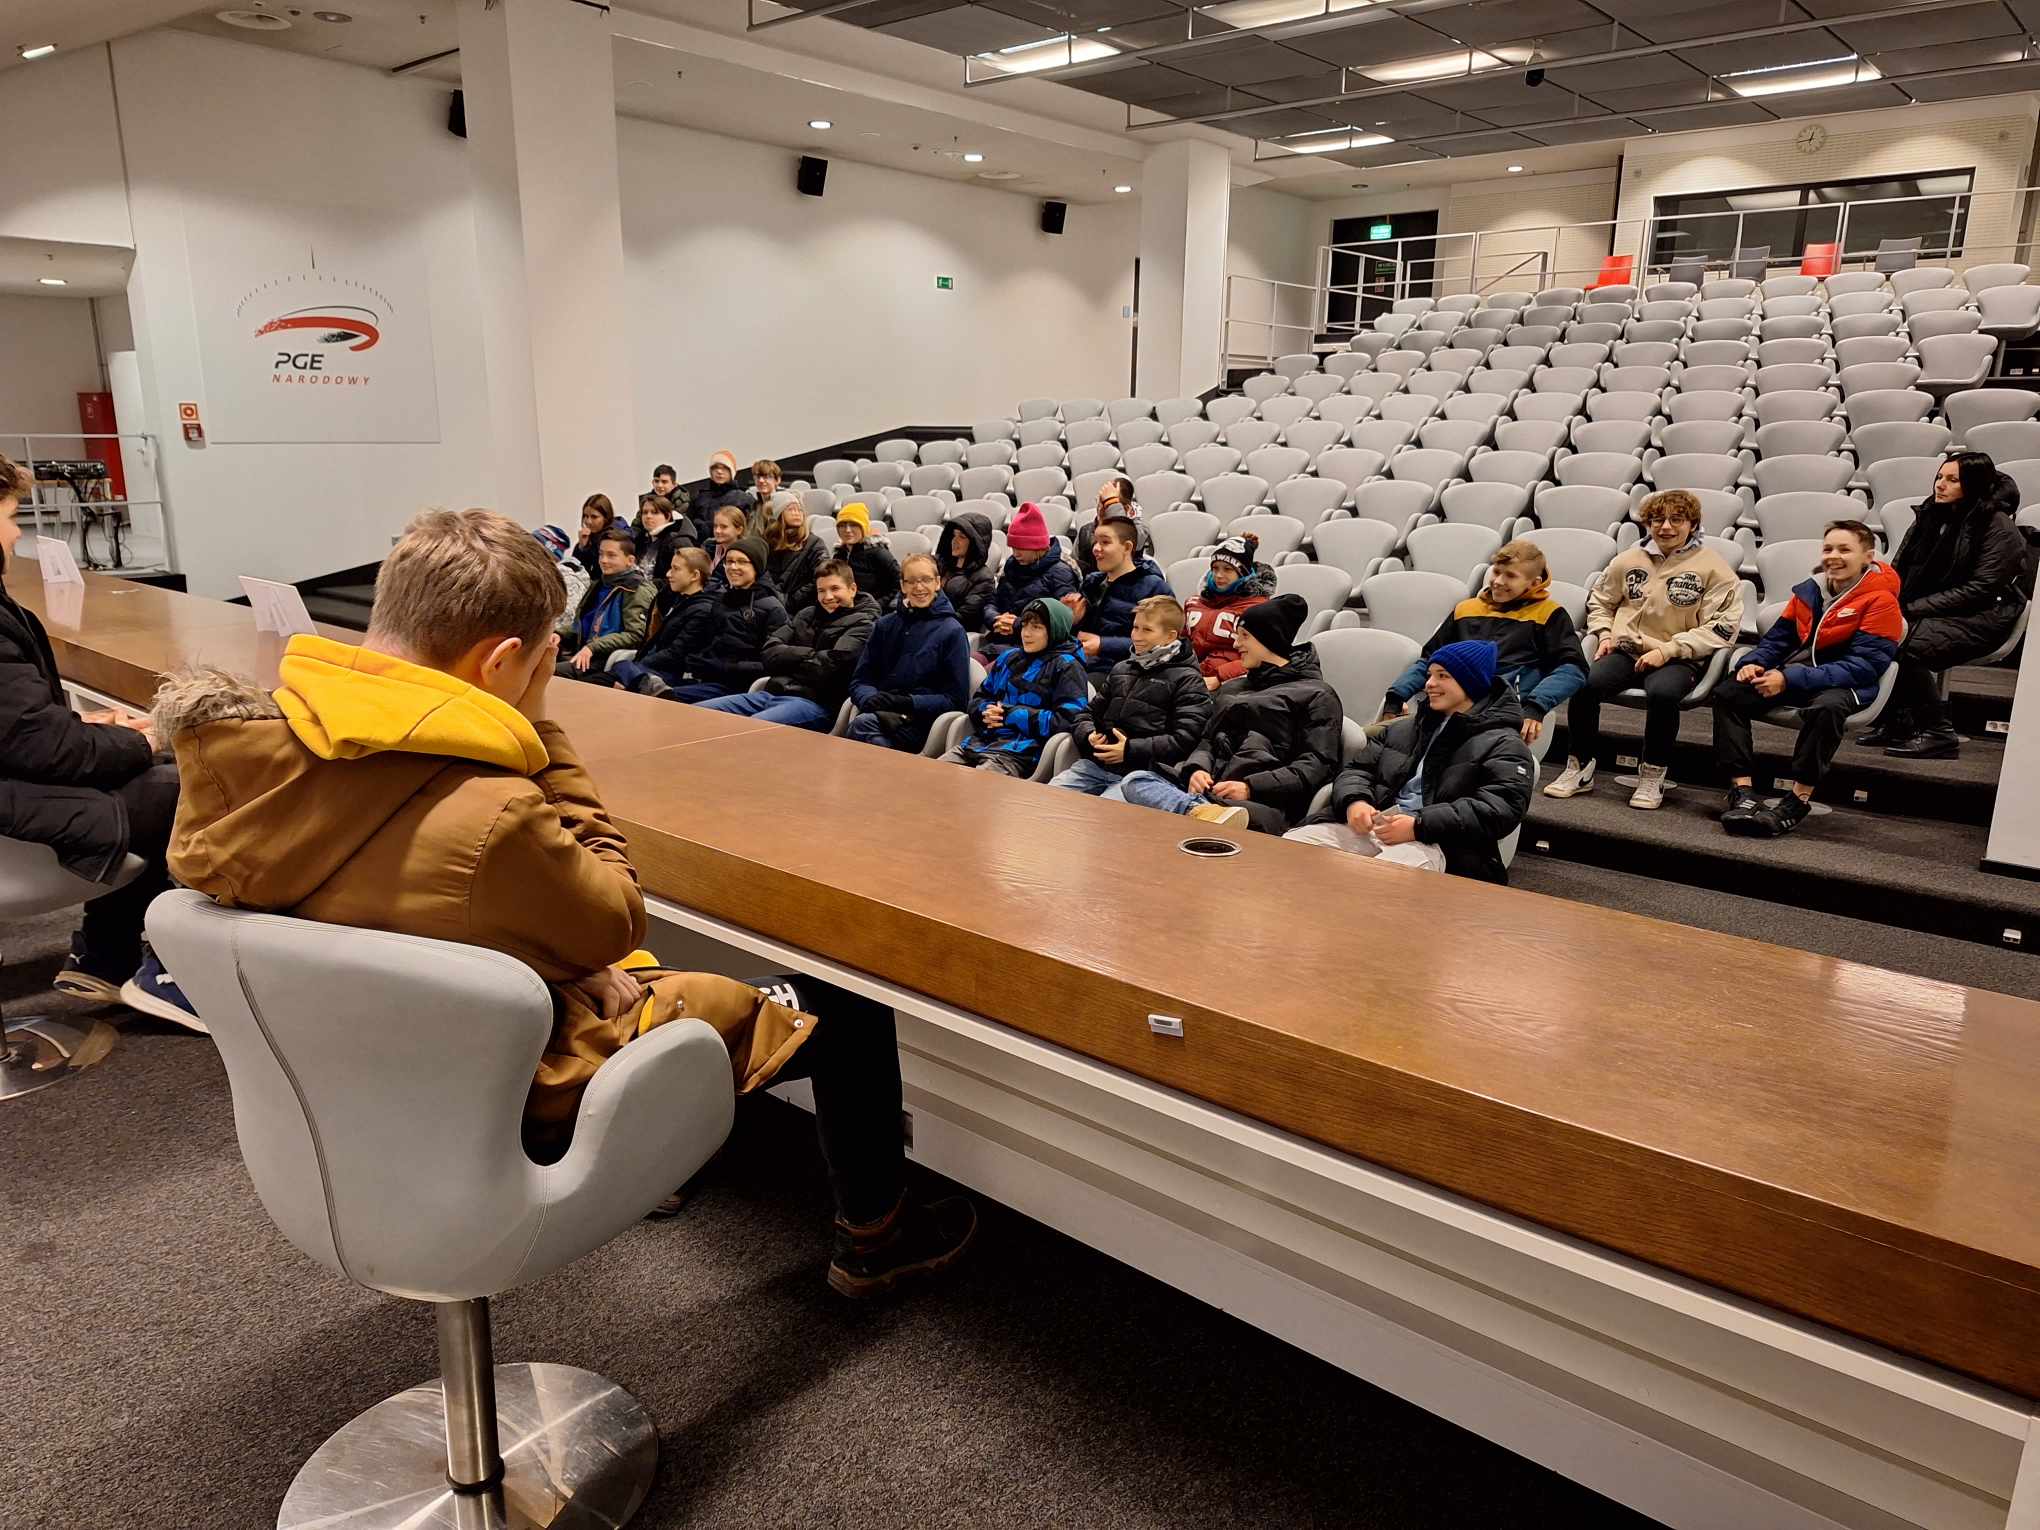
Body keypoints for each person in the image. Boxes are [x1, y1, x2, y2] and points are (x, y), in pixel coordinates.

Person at [155, 507, 973, 1295]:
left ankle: (676, 1160)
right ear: (503, 662)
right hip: (514, 1099)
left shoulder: (243, 762)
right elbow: (615, 917)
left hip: (347, 1099)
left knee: (616, 968)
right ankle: (876, 1237)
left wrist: (550, 965)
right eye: (539, 661)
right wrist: (538, 729)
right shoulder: (492, 814)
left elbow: (405, 910)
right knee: (850, 1009)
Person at [0, 452, 198, 1028]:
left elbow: (23, 732)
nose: (16, 534)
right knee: (190, 785)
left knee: (147, 773)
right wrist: (142, 741)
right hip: (14, 830)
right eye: (10, 517)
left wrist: (96, 732)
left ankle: (106, 955)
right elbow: (44, 748)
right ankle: (172, 974)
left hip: (15, 796)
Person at [1544, 489, 1743, 810]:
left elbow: (1721, 627)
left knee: (1663, 694)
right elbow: (1600, 601)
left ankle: (1652, 773)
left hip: (1679, 656)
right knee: (1584, 684)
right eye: (1657, 520)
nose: (1666, 527)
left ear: (1693, 524)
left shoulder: (1714, 568)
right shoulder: (1628, 559)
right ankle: (1579, 767)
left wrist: (1668, 651)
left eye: (1676, 520)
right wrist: (1604, 634)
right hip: (1626, 650)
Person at [1712, 521, 1904, 837]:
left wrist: (1789, 679)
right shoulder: (1810, 590)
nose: (1834, 556)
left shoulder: (1881, 601)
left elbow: (1864, 667)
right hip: (1798, 676)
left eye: (1845, 550)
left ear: (1868, 557)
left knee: (1826, 709)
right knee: (1728, 693)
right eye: (1828, 549)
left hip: (1848, 684)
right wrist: (1753, 663)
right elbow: (1779, 640)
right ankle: (1742, 790)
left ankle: (1797, 799)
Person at [1287, 641, 1534, 881]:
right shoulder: (1402, 729)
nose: (1429, 684)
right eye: (1430, 675)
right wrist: (1355, 801)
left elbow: (1499, 809)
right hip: (1376, 827)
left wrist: (1418, 825)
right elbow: (1357, 770)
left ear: (1472, 682)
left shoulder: (1506, 744)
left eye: (1443, 676)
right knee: (1291, 849)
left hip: (1442, 844)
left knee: (1378, 879)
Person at [1107, 593, 1342, 834]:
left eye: (1244, 636)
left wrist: (1250, 788)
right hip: (1209, 792)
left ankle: (1198, 813)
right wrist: (1197, 769)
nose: (1236, 644)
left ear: (1269, 640)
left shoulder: (1317, 695)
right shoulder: (1233, 687)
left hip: (1261, 804)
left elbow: (1316, 765)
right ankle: (1198, 811)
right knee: (1136, 780)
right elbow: (1207, 740)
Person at [1871, 451, 2029, 760]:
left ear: (1974, 484)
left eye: (1953, 480)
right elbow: (1901, 566)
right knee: (1882, 632)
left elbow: (1981, 589)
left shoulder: (1998, 526)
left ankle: (1939, 732)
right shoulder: (1931, 514)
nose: (1940, 485)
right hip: (1935, 610)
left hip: (1985, 616)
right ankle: (1900, 722)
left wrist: (1913, 608)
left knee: (1907, 644)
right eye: (1939, 477)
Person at [1380, 539, 1587, 745]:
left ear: (1534, 583)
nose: (1498, 581)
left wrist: (1536, 706)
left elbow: (1573, 668)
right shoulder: (1466, 609)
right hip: (1446, 712)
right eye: (1496, 572)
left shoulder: (1549, 615)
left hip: (1502, 718)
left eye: (1511, 576)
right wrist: (1396, 697)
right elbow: (1429, 660)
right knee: (1378, 740)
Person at [1052, 595, 1210, 796]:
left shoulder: (1188, 680)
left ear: (1170, 636)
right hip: (1095, 767)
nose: (1137, 636)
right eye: (1135, 627)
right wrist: (1089, 735)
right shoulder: (1121, 669)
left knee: (1104, 809)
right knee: (1047, 798)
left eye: (1147, 630)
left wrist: (1129, 750)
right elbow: (1086, 715)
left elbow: (1185, 740)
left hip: (1144, 777)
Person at [698, 560, 877, 729]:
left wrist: (788, 659)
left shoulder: (864, 624)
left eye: (835, 588)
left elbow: (829, 668)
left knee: (747, 728)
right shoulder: (806, 614)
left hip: (815, 703)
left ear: (852, 589)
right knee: (698, 713)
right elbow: (769, 652)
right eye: (821, 590)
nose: (827, 596)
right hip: (771, 693)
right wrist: (809, 655)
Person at [939, 598, 1087, 777]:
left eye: (1036, 627)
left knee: (968, 786)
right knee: (933, 774)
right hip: (977, 744)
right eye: (1024, 626)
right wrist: (986, 711)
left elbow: (1068, 721)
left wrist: (1010, 715)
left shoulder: (1067, 666)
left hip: (1021, 755)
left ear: (1055, 630)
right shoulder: (1009, 658)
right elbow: (978, 698)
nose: (1026, 634)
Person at [846, 553, 971, 752]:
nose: (918, 587)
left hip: (923, 721)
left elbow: (956, 699)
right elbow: (860, 679)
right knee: (863, 725)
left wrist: (907, 702)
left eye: (926, 580)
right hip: (880, 714)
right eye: (911, 581)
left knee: (862, 726)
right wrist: (869, 698)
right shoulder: (885, 625)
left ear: (937, 583)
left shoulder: (952, 631)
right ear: (903, 586)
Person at [656, 537, 789, 704]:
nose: (733, 567)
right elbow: (708, 642)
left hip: (737, 688)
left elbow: (772, 663)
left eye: (742, 562)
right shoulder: (722, 600)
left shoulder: (773, 609)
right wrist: (698, 659)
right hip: (704, 679)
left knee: (662, 697)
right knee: (637, 680)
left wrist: (727, 667)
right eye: (729, 561)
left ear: (756, 566)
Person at [610, 547, 720, 696]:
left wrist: (640, 665)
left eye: (676, 569)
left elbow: (676, 654)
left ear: (695, 575)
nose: (668, 574)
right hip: (652, 668)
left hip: (671, 675)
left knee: (616, 671)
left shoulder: (702, 611)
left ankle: (641, 681)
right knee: (615, 670)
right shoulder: (679, 600)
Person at [1072, 517, 1170, 677]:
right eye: (1095, 542)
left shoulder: (1154, 588)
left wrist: (1104, 645)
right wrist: (1072, 620)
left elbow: (1161, 642)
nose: (1096, 548)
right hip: (1079, 665)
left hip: (1125, 674)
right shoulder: (1092, 582)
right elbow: (1077, 637)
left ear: (1127, 547)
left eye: (1105, 542)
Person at [555, 527, 653, 684]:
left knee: (550, 672)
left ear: (630, 560)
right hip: (583, 651)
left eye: (611, 555)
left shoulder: (636, 590)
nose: (603, 560)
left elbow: (635, 635)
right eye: (601, 554)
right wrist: (558, 634)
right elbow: (581, 626)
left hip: (606, 659)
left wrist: (593, 647)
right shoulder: (599, 584)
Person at [981, 502, 1077, 655]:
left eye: (1021, 548)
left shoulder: (1061, 573)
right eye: (1013, 548)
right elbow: (992, 601)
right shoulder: (1011, 566)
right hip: (999, 643)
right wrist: (995, 619)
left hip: (1035, 651)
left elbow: (1062, 621)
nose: (1016, 553)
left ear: (1037, 546)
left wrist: (1018, 624)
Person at [1184, 533, 1276, 691]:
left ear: (1243, 573)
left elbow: (1265, 658)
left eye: (1227, 569)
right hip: (1193, 678)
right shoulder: (1194, 603)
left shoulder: (1258, 609)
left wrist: (1219, 677)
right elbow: (1182, 644)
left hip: (1235, 684)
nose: (1219, 575)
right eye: (1215, 568)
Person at [1071, 476, 1154, 578]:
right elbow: (1073, 568)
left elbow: (1125, 536)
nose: (1100, 508)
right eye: (1100, 501)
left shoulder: (1139, 531)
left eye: (1108, 503)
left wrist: (1111, 502)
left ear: (1126, 508)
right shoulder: (1085, 531)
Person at [934, 509, 996, 632]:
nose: (954, 541)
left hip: (952, 631)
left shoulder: (984, 578)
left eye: (962, 537)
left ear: (975, 543)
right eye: (954, 535)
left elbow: (964, 616)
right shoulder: (937, 563)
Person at [764, 500, 828, 615]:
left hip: (803, 608)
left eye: (800, 510)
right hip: (772, 605)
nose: (796, 513)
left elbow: (822, 577)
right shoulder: (768, 542)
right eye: (791, 509)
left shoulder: (814, 543)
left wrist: (791, 600)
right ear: (779, 514)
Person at [833, 502, 899, 610]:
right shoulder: (839, 555)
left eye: (853, 525)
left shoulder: (879, 553)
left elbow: (899, 584)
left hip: (873, 611)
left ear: (863, 527)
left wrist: (877, 605)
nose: (847, 530)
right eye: (842, 525)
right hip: (845, 609)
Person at [633, 494, 695, 587]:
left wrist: (649, 586)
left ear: (667, 516)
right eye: (645, 512)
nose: (648, 516)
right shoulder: (641, 539)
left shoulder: (678, 542)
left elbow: (682, 579)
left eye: (655, 512)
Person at [689, 449, 749, 542]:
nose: (719, 471)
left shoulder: (743, 499)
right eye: (715, 468)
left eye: (725, 468)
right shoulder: (699, 497)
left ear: (731, 472)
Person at [532, 524, 591, 614]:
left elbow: (565, 618)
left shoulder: (568, 581)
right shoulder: (539, 575)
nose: (528, 552)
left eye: (533, 547)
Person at [570, 493, 617, 579]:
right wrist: (581, 547)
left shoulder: (614, 540)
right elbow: (575, 572)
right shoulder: (590, 538)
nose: (588, 521)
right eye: (585, 516)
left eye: (594, 517)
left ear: (606, 518)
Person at [705, 503, 747, 589]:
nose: (717, 531)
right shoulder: (709, 548)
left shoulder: (744, 556)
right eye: (715, 526)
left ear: (739, 530)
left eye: (724, 527)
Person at [746, 459, 785, 536]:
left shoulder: (784, 504)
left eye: (766, 476)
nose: (761, 480)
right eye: (757, 477)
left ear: (777, 480)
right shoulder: (754, 506)